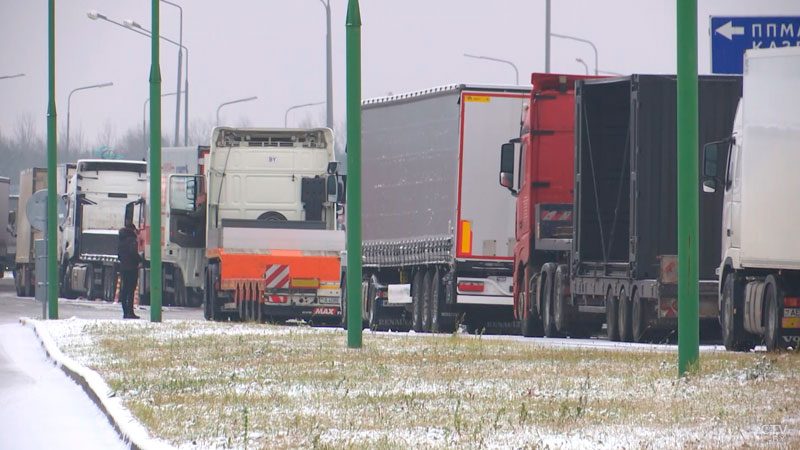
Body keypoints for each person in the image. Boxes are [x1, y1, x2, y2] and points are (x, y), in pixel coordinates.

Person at [117, 218, 141, 319]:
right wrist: (139, 260)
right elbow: (133, 253)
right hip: (132, 268)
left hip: (123, 267)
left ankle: (125, 312)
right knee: (131, 291)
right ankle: (130, 312)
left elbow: (119, 255)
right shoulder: (132, 240)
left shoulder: (121, 240)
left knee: (124, 290)